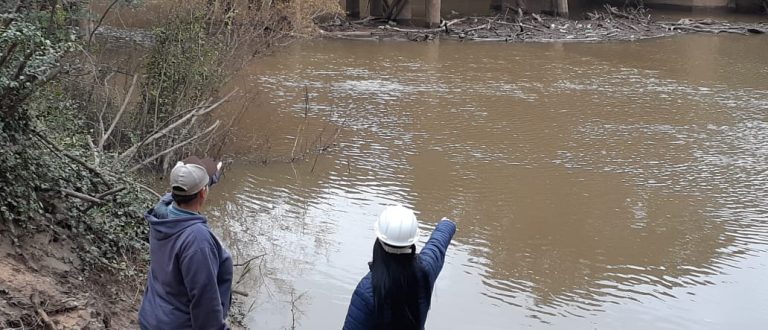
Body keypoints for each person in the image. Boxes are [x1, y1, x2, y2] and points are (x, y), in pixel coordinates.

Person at [138, 157, 232, 330]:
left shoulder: (161, 214)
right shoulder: (197, 240)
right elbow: (205, 303)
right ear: (203, 193)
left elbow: (177, 192)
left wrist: (208, 179)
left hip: (152, 317)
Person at [343, 205, 457, 330]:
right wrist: (446, 224)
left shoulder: (367, 290)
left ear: (378, 242)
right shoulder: (425, 271)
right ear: (412, 242)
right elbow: (437, 245)